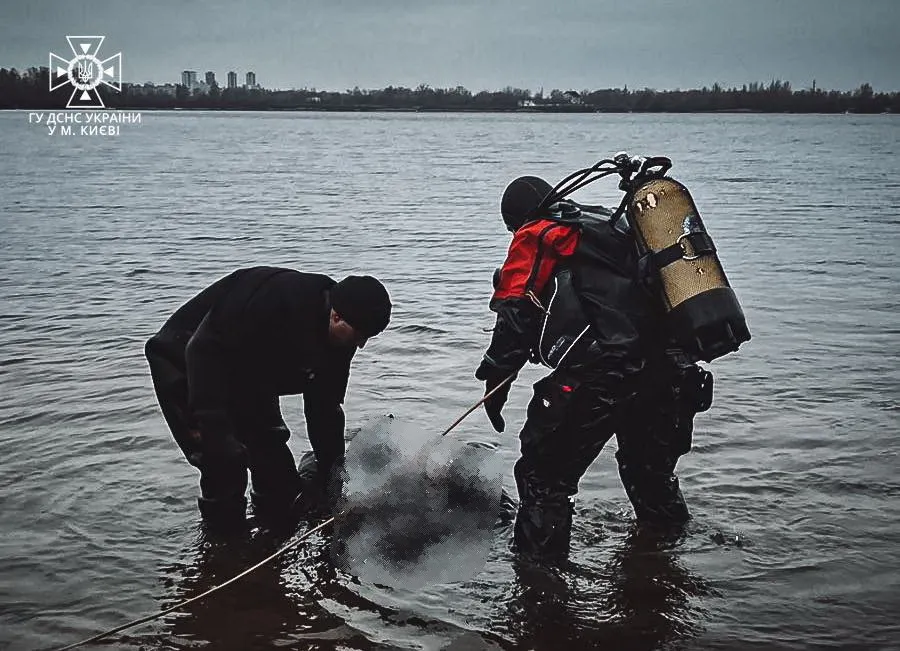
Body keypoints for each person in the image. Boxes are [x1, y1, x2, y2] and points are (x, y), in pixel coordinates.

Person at [474, 175, 714, 561]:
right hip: (670, 372)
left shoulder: (538, 234)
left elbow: (516, 314)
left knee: (543, 479)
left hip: (605, 375)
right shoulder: (607, 223)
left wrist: (495, 378)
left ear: (517, 220)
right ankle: (668, 567)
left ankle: (539, 587)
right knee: (648, 476)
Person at [144, 266, 392, 531]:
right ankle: (222, 550)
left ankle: (270, 536)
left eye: (368, 337)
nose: (362, 344)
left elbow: (325, 410)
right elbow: (201, 350)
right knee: (224, 460)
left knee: (274, 465)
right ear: (336, 316)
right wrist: (215, 428)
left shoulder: (342, 339)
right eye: (360, 335)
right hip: (187, 363)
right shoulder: (277, 301)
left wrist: (334, 475)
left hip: (250, 374)